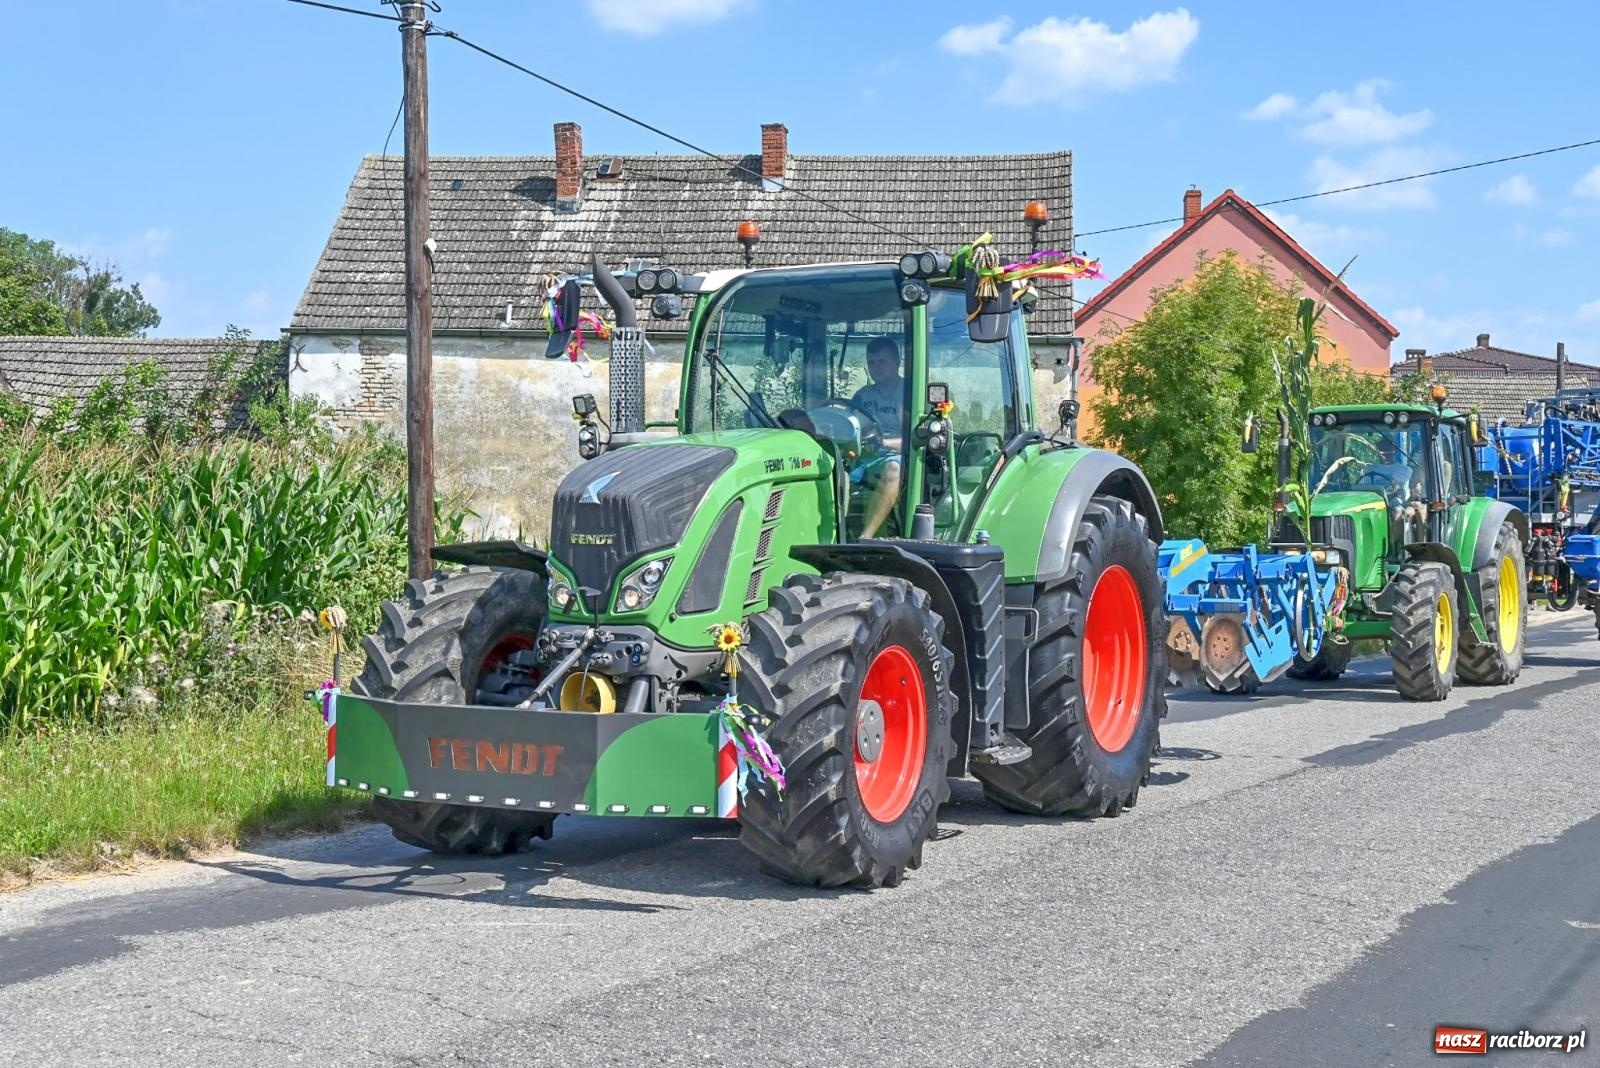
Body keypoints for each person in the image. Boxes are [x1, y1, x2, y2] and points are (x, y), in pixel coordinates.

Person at [851, 337, 905, 538]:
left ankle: (865, 537)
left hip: (898, 455)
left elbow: (917, 439)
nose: (876, 368)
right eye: (871, 363)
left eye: (882, 362)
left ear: (897, 362)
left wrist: (883, 443)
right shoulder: (863, 396)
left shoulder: (910, 394)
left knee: (893, 468)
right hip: (865, 455)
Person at [1363, 435, 1415, 500]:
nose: (1384, 452)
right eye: (1382, 448)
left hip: (1398, 504)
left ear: (1395, 450)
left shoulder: (1406, 471)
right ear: (1378, 450)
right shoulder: (1368, 471)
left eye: (1388, 448)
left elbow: (1411, 494)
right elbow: (1363, 493)